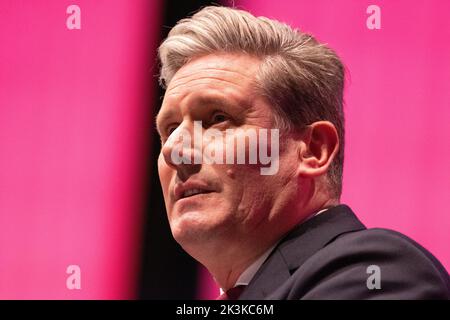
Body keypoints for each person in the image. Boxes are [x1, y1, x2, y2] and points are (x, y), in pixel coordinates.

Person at [155, 6, 450, 299]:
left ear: (313, 149)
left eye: (218, 118)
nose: (173, 150)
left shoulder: (373, 271)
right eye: (169, 129)